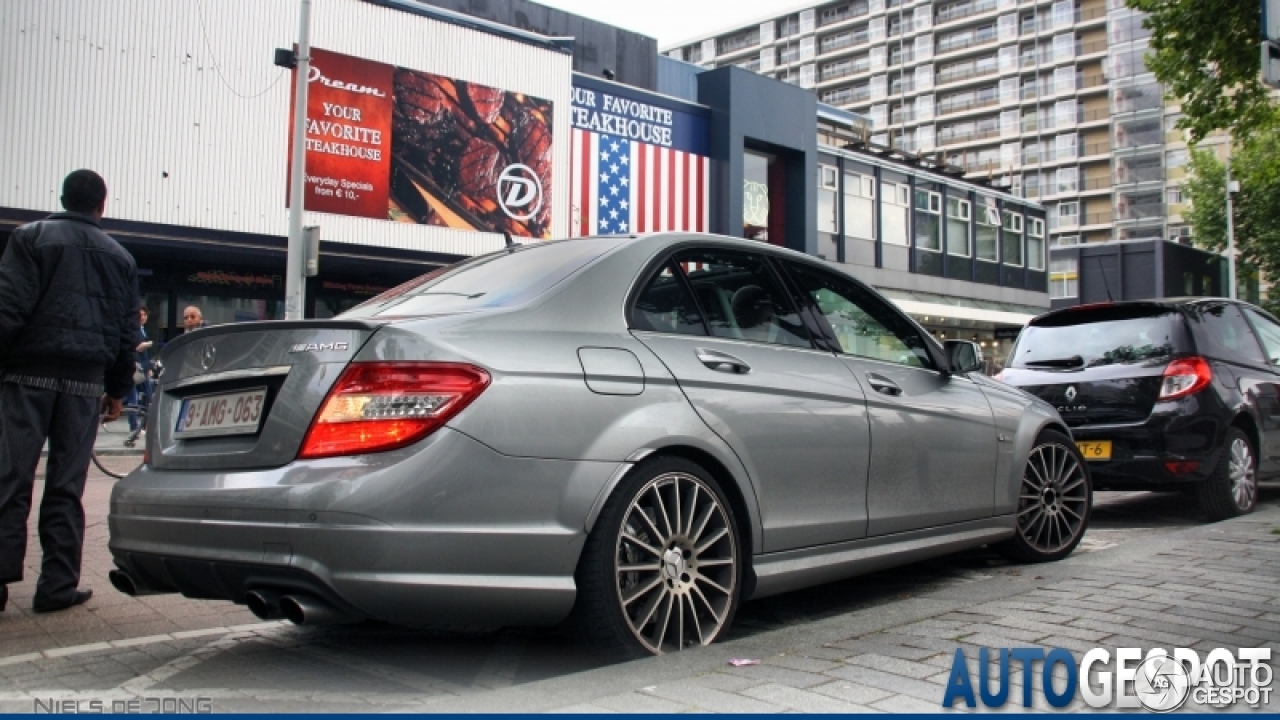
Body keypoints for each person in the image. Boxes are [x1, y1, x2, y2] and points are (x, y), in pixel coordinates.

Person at [0, 169, 139, 614]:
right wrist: (118, 388)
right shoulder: (120, 258)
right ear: (102, 205)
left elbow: (9, 308)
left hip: (27, 376)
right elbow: (125, 332)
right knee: (66, 485)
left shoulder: (30, 239)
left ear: (61, 198)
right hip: (84, 385)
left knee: (11, 480)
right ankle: (57, 586)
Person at [125, 306, 153, 432]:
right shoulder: (134, 331)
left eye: (145, 315)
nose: (143, 317)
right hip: (135, 367)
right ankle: (134, 425)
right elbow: (134, 349)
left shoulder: (142, 330)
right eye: (140, 315)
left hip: (143, 368)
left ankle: (144, 424)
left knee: (147, 396)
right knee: (133, 397)